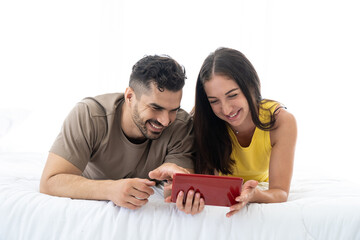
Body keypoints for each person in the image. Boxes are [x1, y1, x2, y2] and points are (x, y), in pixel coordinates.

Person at [40, 54, 204, 215]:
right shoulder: (90, 115)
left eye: (173, 110)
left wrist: (177, 186)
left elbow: (175, 197)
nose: (165, 120)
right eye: (156, 108)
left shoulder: (181, 125)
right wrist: (110, 189)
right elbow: (50, 182)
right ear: (130, 96)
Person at [193, 47, 297, 217]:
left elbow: (280, 192)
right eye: (214, 101)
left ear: (251, 86)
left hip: (257, 185)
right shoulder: (205, 120)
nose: (226, 109)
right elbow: (208, 183)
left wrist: (256, 195)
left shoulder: (282, 121)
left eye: (232, 95)